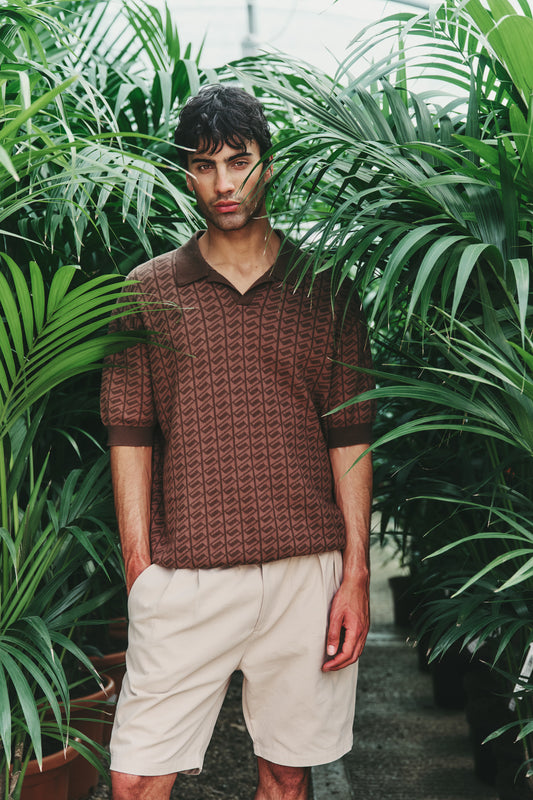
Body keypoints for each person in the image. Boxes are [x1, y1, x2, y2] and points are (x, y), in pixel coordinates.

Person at [100, 84, 375, 800]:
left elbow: (349, 438)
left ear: (267, 164)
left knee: (286, 777)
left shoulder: (326, 290)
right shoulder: (146, 291)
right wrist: (139, 570)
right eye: (204, 165)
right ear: (188, 175)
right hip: (186, 576)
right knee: (135, 780)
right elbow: (129, 436)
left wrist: (355, 574)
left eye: (238, 161)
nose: (224, 183)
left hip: (304, 573)